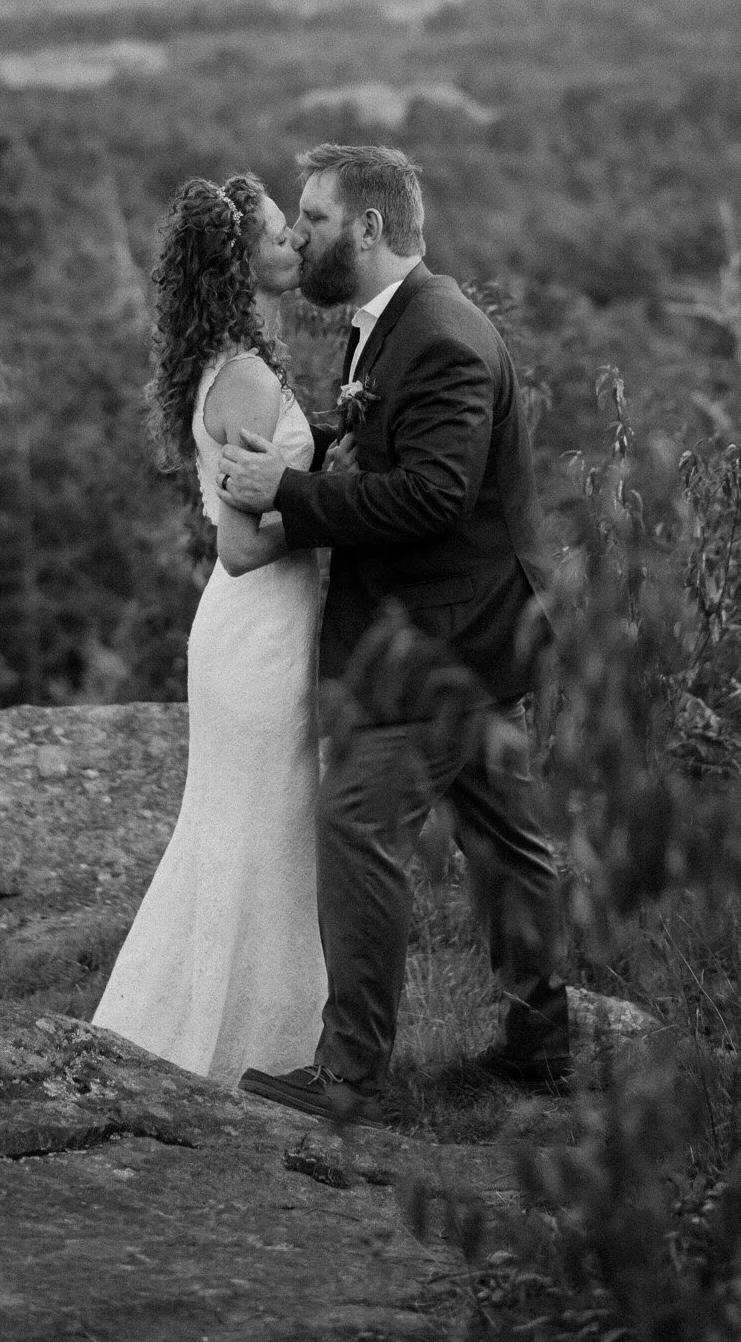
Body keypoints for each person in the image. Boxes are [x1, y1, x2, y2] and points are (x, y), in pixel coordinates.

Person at [219, 143, 568, 1125]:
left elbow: (434, 494)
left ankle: (350, 1079)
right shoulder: (396, 324)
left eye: (316, 219)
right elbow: (393, 463)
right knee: (508, 845)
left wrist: (285, 490)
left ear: (369, 228)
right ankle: (542, 1047)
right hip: (476, 637)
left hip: (429, 652)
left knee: (358, 834)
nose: (299, 236)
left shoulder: (440, 334)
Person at [92, 174, 327, 1085]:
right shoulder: (244, 379)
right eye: (277, 237)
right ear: (238, 263)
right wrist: (331, 511)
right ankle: (237, 1049)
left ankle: (271, 1038)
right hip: (258, 631)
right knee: (256, 830)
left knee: (259, 829)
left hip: (265, 629)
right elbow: (236, 546)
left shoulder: (235, 362)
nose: (294, 247)